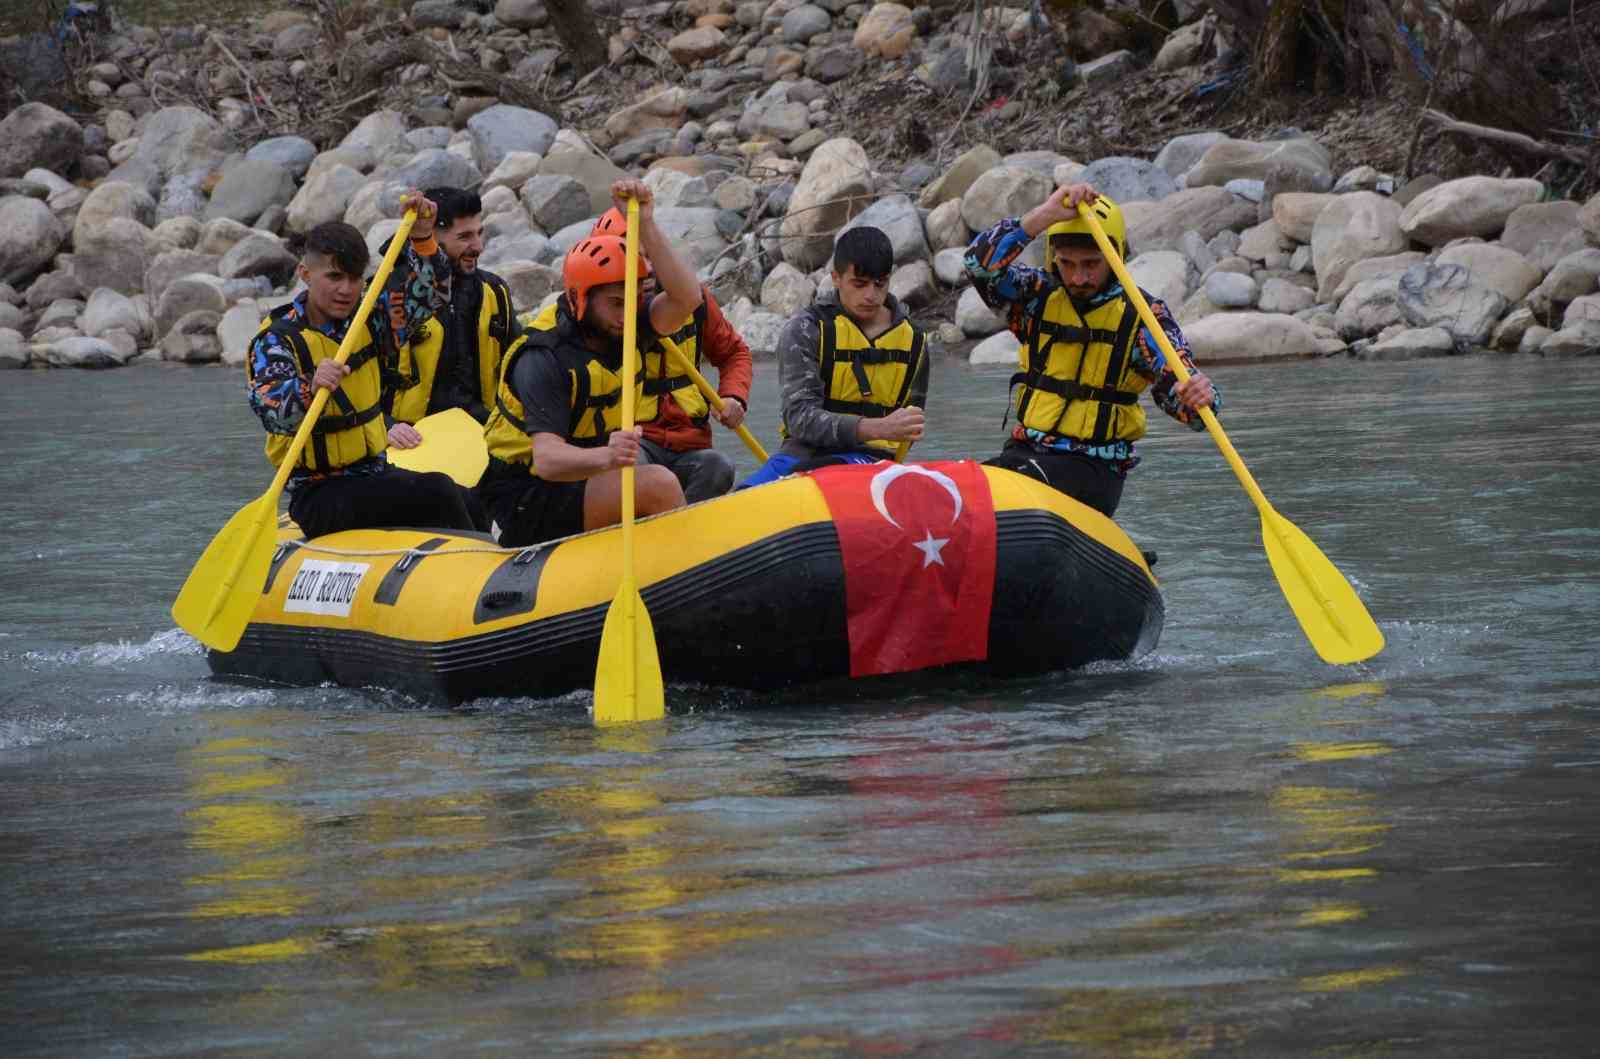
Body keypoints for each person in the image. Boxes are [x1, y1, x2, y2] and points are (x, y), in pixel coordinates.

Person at [963, 185, 1219, 518]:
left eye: (1091, 264)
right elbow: (978, 265)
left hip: (1094, 470)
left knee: (1006, 494)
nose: (1078, 277)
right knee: (959, 492)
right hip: (1023, 453)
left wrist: (1200, 396)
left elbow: (1186, 403)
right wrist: (1045, 216)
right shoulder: (1035, 296)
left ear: (1116, 258)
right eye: (1067, 264)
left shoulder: (1145, 318)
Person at [479, 180, 701, 547]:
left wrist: (646, 222)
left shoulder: (625, 325)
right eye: (616, 303)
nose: (627, 313)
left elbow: (687, 297)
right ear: (579, 299)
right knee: (657, 482)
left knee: (668, 471)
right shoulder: (544, 356)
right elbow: (547, 459)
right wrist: (607, 455)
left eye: (633, 301)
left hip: (584, 478)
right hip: (526, 494)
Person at [245, 196, 477, 540]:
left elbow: (432, 295)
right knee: (437, 491)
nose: (346, 290)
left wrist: (424, 237)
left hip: (373, 472)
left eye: (355, 278)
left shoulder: (372, 320)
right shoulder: (277, 340)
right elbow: (271, 411)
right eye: (334, 276)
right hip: (319, 493)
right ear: (305, 274)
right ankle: (472, 571)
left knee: (468, 499)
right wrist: (308, 386)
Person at [579, 207, 753, 502]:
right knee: (638, 474)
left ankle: (684, 532)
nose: (643, 268)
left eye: (647, 256)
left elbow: (734, 353)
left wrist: (734, 397)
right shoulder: (596, 316)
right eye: (631, 258)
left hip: (689, 441)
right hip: (633, 442)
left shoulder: (691, 300)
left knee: (719, 468)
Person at [739, 226, 929, 488]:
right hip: (801, 454)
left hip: (872, 461)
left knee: (826, 473)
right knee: (743, 494)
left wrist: (881, 438)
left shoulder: (915, 341)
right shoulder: (806, 330)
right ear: (836, 278)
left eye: (880, 284)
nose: (870, 295)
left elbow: (910, 426)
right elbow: (799, 417)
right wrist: (876, 427)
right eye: (859, 284)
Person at [384, 186, 517, 448]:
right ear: (429, 237)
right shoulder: (389, 297)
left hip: (481, 431)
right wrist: (385, 426)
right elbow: (352, 383)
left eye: (479, 233)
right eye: (465, 237)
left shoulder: (493, 292)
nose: (478, 247)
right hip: (409, 440)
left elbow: (517, 367)